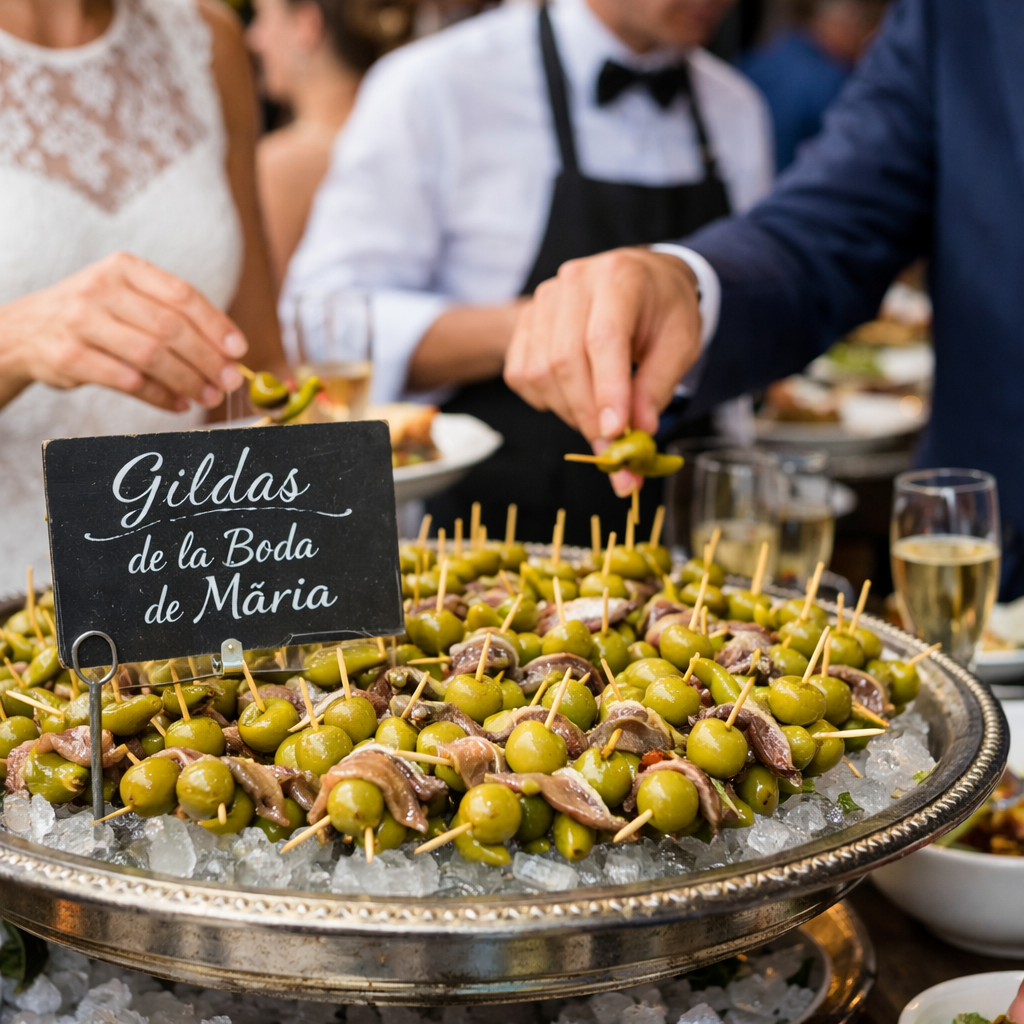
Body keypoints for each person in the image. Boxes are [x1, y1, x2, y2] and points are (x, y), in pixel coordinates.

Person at [502, 0, 1024, 598]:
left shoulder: (734, 102)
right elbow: (826, 230)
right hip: (998, 575)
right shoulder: (960, 15)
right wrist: (684, 281)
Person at [284, 0, 774, 546]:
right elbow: (327, 318)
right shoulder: (435, 83)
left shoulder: (737, 109)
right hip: (487, 542)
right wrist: (545, 324)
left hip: (688, 541)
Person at [0, 0, 284, 592]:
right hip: (13, 603)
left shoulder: (206, 41)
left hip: (190, 594)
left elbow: (257, 368)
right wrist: (14, 343)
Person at [247, 0, 416, 291]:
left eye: (262, 18)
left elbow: (263, 311)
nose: (254, 38)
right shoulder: (408, 139)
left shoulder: (283, 165)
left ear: (306, 25)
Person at [740, 0, 886, 170]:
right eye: (867, 26)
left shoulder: (757, 58)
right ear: (844, 23)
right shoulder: (833, 82)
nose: (866, 40)